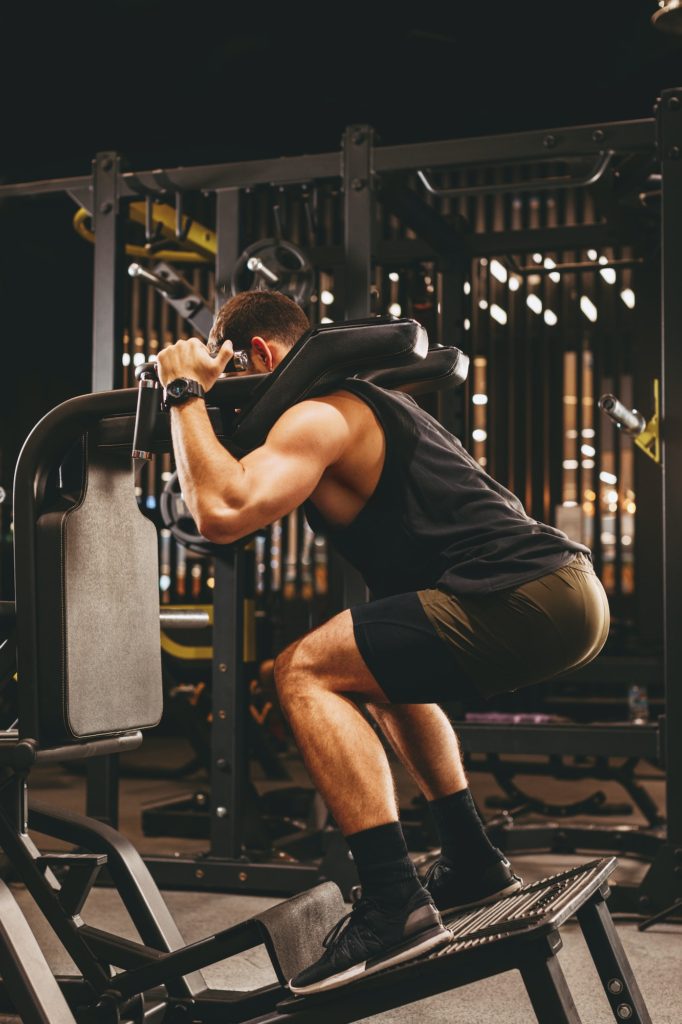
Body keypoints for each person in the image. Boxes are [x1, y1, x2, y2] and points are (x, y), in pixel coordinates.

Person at [156, 290, 610, 996]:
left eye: (230, 374)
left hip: (530, 594)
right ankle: (470, 858)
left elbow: (223, 511)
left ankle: (393, 898)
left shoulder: (318, 414)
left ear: (260, 357)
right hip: (563, 590)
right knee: (374, 673)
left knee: (301, 670)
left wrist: (183, 390)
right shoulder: (363, 408)